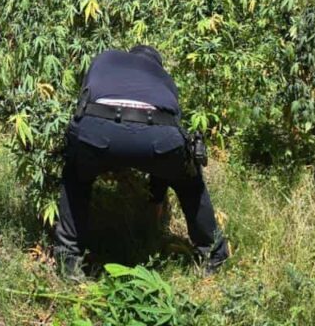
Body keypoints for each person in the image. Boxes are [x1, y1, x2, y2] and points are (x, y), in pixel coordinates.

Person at [54, 46, 228, 280]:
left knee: (76, 176)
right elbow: (170, 129)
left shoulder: (106, 58)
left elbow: (85, 99)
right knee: (189, 182)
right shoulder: (163, 77)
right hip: (158, 135)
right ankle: (213, 255)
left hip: (98, 128)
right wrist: (156, 197)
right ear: (157, 63)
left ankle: (68, 261)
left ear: (130, 54)